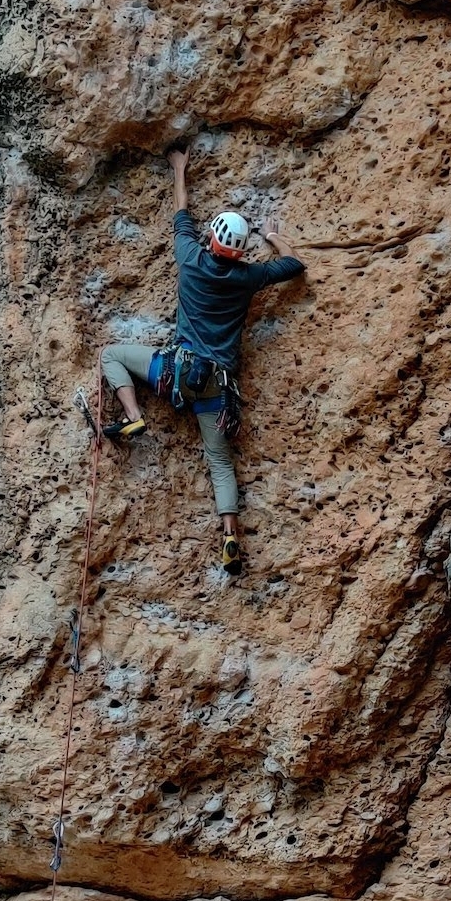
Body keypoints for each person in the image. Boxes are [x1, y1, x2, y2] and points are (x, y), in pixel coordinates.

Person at [99, 142, 306, 576]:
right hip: (216, 388)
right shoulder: (249, 276)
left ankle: (133, 413)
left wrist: (179, 168)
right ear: (240, 250)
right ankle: (230, 534)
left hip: (175, 373)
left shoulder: (190, 258)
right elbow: (294, 265)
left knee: (112, 354)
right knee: (219, 462)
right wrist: (271, 236)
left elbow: (181, 215)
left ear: (211, 239)